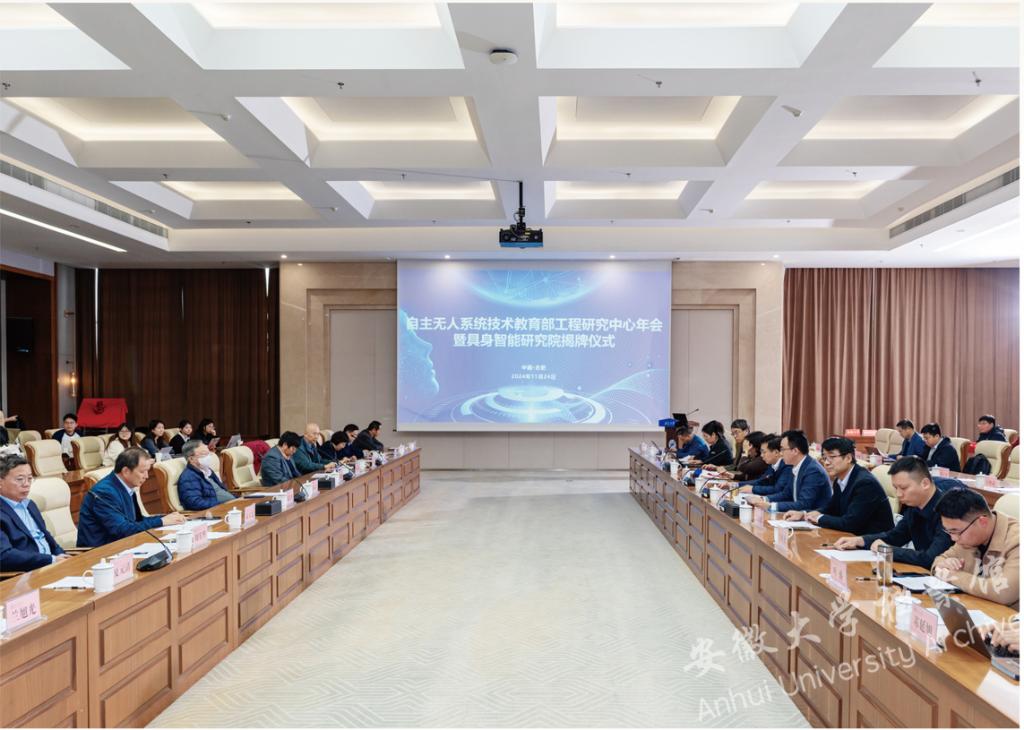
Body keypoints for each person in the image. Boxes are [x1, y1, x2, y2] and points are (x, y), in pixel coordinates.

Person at [834, 456, 962, 568]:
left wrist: (887, 550)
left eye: (903, 488)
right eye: (895, 488)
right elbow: (896, 536)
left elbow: (931, 558)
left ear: (925, 483)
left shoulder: (949, 511)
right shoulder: (914, 505)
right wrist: (860, 541)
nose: (898, 494)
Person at [76, 447, 185, 547]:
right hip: (99, 552)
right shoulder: (104, 492)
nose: (146, 476)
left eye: (147, 471)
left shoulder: (126, 486)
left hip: (121, 545)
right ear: (126, 471)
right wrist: (161, 521)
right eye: (142, 471)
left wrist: (167, 518)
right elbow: (122, 530)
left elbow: (137, 521)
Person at [788, 436, 894, 534]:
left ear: (848, 458)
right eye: (824, 458)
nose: (826, 463)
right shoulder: (840, 479)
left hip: (874, 542)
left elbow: (850, 524)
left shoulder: (865, 483)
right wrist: (804, 514)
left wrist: (819, 518)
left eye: (832, 457)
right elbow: (831, 508)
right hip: (851, 537)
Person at [933, 488, 1019, 609]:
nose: (953, 538)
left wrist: (954, 576)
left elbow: (1004, 592)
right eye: (949, 532)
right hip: (979, 607)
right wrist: (944, 564)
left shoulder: (1017, 540)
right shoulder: (967, 536)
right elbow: (939, 561)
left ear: (982, 522)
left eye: (956, 531)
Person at [0, 454, 67, 570]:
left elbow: (47, 538)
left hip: (52, 567)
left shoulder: (30, 505)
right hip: (26, 574)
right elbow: (4, 556)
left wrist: (61, 555)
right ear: (1, 482)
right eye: (20, 479)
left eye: (30, 479)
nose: (26, 484)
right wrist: (51, 560)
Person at [757, 429, 831, 513]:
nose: (781, 453)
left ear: (795, 451)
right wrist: (764, 499)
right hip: (799, 515)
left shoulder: (813, 470)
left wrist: (771, 506)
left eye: (782, 449)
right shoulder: (795, 466)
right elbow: (786, 494)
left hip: (813, 517)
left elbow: (804, 504)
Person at [177, 441, 235, 510]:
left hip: (231, 505)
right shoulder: (188, 477)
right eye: (204, 454)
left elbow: (223, 491)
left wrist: (236, 499)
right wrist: (221, 504)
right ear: (191, 459)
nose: (208, 457)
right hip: (217, 510)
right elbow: (194, 503)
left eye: (208, 453)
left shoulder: (207, 470)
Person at [739, 435, 791, 503]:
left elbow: (777, 489)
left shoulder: (787, 466)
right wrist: (737, 485)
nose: (761, 455)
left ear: (776, 452)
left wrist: (753, 489)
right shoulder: (772, 464)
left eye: (764, 452)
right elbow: (761, 481)